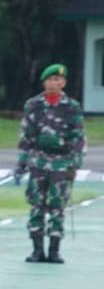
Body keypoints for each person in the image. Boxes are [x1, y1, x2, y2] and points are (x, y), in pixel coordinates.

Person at [16, 63, 85, 264]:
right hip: (38, 162)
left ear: (63, 83)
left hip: (61, 164)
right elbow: (26, 136)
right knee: (36, 205)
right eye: (50, 79)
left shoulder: (71, 107)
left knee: (57, 206)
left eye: (57, 79)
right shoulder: (33, 105)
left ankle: (54, 250)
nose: (53, 83)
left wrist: (75, 164)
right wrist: (21, 163)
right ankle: (37, 250)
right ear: (44, 82)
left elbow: (78, 137)